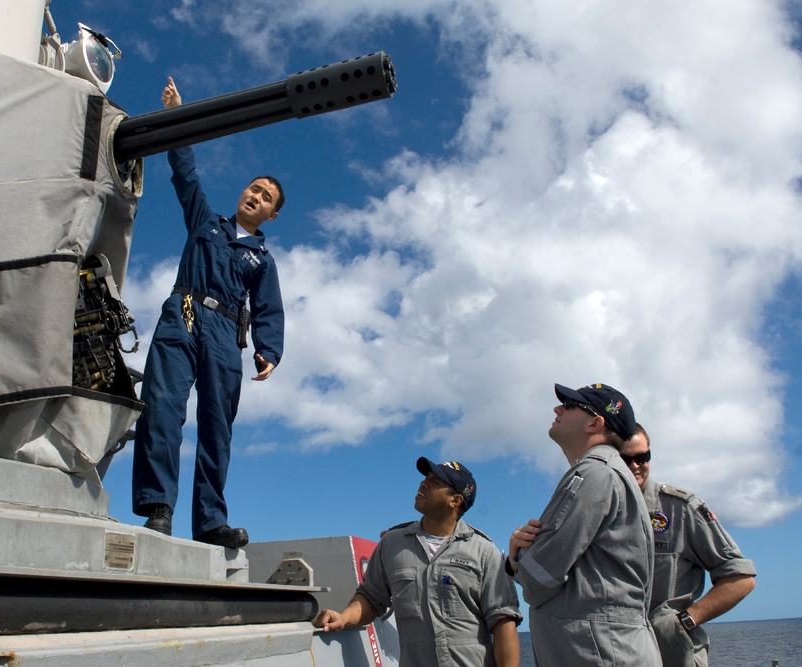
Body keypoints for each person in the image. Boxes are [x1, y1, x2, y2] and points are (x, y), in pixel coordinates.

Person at [131, 77, 285, 548]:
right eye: (253, 188)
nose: (254, 196)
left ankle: (210, 522)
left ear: (271, 215)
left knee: (217, 426)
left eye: (265, 198)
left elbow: (268, 309)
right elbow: (185, 174)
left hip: (225, 336)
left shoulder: (263, 260)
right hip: (184, 314)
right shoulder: (206, 221)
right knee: (162, 406)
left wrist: (268, 351)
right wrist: (178, 116)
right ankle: (159, 506)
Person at [506, 383, 661, 666]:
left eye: (569, 405)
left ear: (594, 423)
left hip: (599, 652)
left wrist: (516, 557)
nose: (557, 409)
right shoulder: (606, 473)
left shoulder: (592, 473)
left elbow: (539, 578)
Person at [314, 457, 522, 667]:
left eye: (435, 482)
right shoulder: (391, 544)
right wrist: (343, 618)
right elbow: (371, 598)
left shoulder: (484, 552)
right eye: (426, 478)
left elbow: (503, 623)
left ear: (455, 501)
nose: (423, 483)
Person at [621, 424, 756, 667]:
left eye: (642, 457)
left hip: (673, 656)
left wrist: (685, 621)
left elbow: (741, 578)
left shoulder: (681, 509)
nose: (634, 466)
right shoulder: (595, 510)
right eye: (625, 458)